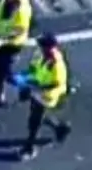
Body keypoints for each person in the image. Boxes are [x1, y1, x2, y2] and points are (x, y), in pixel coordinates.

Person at [18, 32, 72, 160]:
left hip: (47, 95)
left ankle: (29, 148)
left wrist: (33, 89)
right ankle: (59, 127)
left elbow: (55, 83)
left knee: (34, 121)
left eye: (42, 45)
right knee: (36, 117)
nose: (40, 47)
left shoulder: (57, 65)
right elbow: (33, 68)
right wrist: (25, 81)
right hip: (36, 90)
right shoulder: (39, 54)